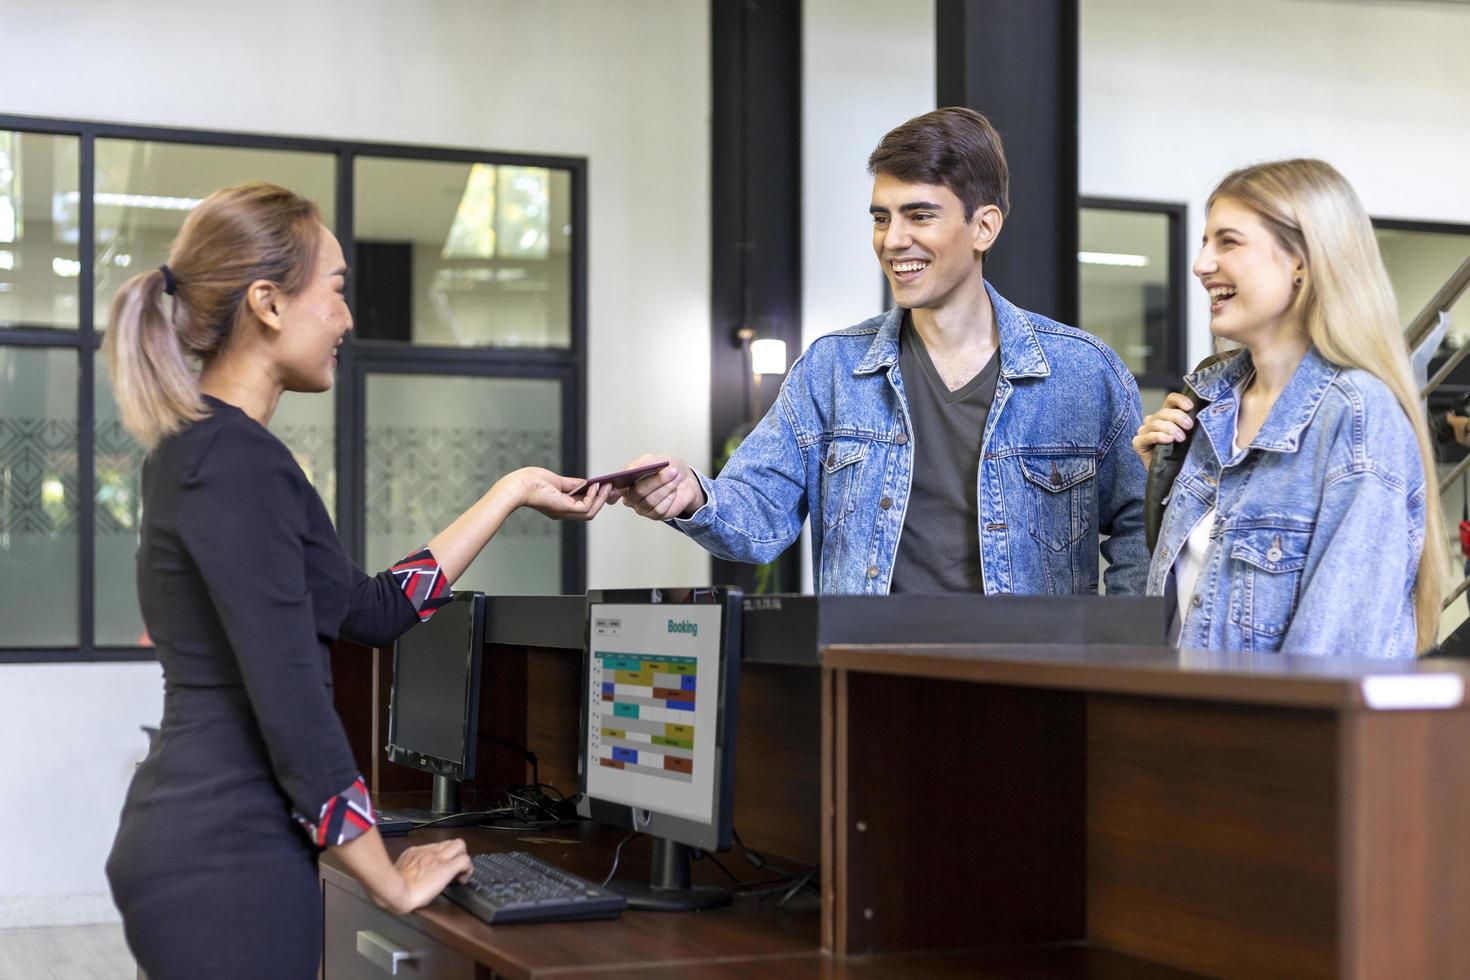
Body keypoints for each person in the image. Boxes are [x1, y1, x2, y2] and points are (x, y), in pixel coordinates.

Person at [101, 182, 611, 979]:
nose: (346, 319)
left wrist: (508, 492)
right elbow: (293, 700)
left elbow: (370, 612)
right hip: (224, 854)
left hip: (209, 839)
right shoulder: (234, 464)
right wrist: (387, 879)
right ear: (268, 302)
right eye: (335, 291)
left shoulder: (213, 453)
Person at [616, 107, 1148, 596]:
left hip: (1030, 686)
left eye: (919, 216)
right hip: (867, 678)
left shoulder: (1082, 373)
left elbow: (1142, 527)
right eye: (880, 218)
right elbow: (759, 515)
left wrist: (1120, 649)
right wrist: (691, 493)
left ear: (984, 226)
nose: (892, 240)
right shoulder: (832, 370)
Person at [1132, 159, 1446, 657]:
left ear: (1301, 259)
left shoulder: (1357, 415)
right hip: (1185, 719)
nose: (1201, 264)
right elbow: (1193, 604)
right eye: (1204, 242)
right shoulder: (1211, 404)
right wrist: (1159, 486)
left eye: (1228, 242)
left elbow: (1337, 656)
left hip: (1275, 731)